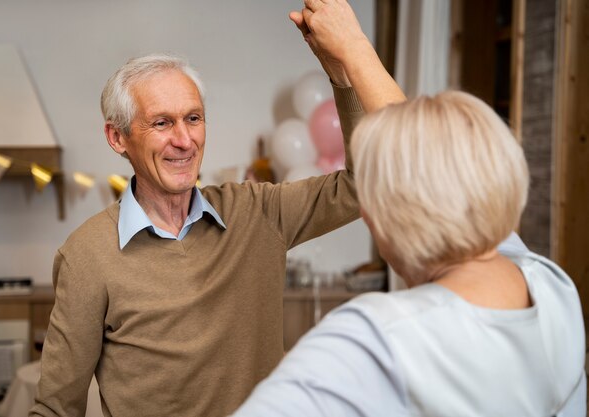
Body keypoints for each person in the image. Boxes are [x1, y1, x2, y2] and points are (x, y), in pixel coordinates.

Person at [29, 5, 405, 417]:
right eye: (161, 123)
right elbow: (56, 409)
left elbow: (362, 183)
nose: (184, 139)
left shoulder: (258, 213)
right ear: (117, 138)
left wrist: (342, 73)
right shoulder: (87, 255)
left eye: (194, 118)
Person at [232, 1, 586, 416]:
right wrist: (353, 48)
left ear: (376, 214)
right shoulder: (551, 288)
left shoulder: (373, 343)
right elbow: (423, 157)